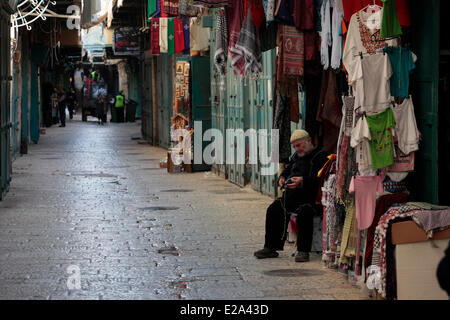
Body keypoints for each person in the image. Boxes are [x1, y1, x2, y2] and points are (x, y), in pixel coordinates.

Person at [254, 130, 329, 262]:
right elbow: (288, 169)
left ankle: (303, 251)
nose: (297, 149)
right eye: (295, 146)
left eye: (299, 145)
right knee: (274, 209)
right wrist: (282, 177)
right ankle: (271, 248)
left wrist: (303, 181)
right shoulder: (297, 156)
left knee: (304, 212)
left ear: (309, 141)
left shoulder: (321, 156)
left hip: (311, 199)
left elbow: (322, 180)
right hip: (292, 197)